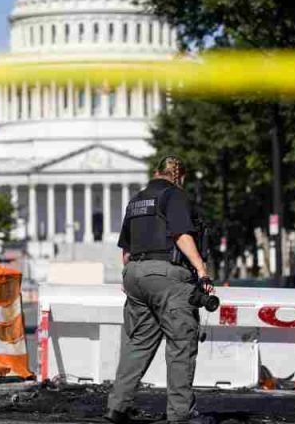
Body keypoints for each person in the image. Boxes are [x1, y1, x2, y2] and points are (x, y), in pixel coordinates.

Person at [106, 155, 213, 424]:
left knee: (137, 343)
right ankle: (180, 415)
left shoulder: (136, 200)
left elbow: (126, 250)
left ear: (156, 172)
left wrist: (134, 278)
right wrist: (201, 270)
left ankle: (117, 408)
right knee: (181, 344)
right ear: (180, 176)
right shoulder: (174, 195)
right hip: (167, 276)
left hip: (135, 275)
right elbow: (181, 235)